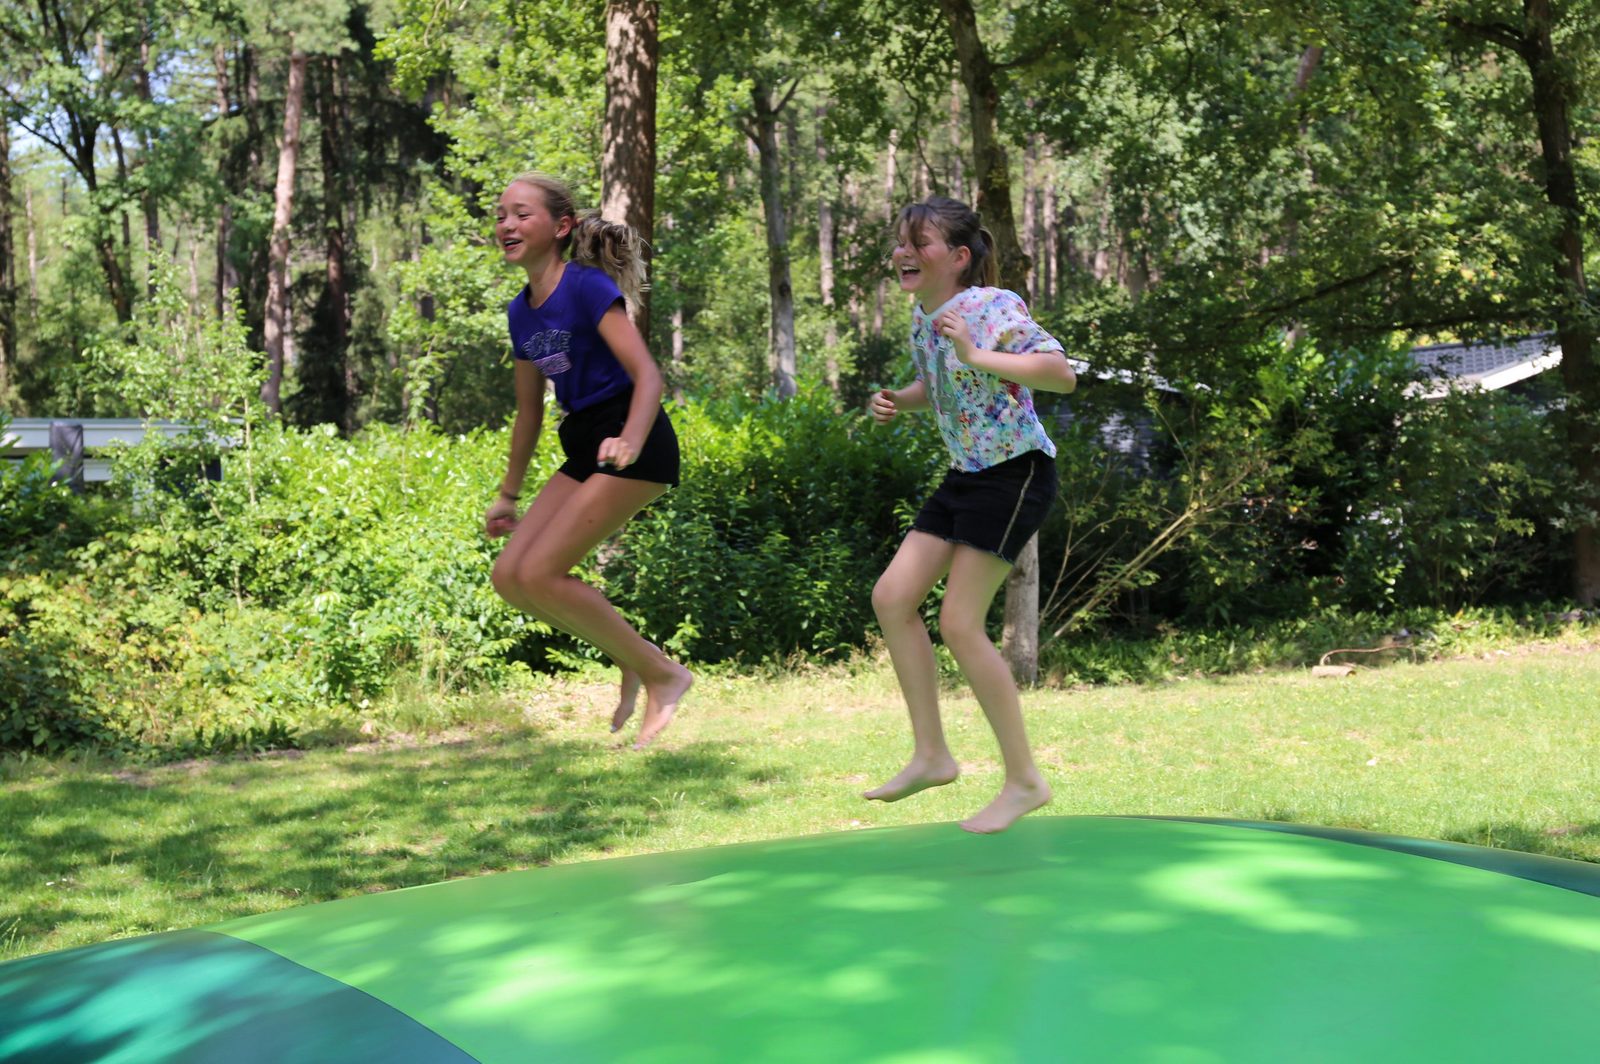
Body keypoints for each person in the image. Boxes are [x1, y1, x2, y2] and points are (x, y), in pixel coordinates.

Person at [866, 195, 1076, 833]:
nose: (904, 251)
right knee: (892, 597)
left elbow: (1059, 374)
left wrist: (980, 355)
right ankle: (932, 755)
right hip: (967, 475)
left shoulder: (991, 305)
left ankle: (1025, 781)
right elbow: (944, 385)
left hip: (1015, 473)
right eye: (901, 241)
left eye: (918, 241)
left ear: (958, 257)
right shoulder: (924, 316)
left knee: (959, 623)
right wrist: (900, 401)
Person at [484, 172, 692, 749]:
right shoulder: (520, 312)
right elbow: (528, 413)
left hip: (634, 440)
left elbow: (648, 374)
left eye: (522, 214)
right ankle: (632, 658)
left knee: (543, 572)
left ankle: (663, 674)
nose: (506, 225)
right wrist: (508, 493)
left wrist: (629, 438)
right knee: (511, 577)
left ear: (561, 226)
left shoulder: (586, 289)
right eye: (501, 215)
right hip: (582, 443)